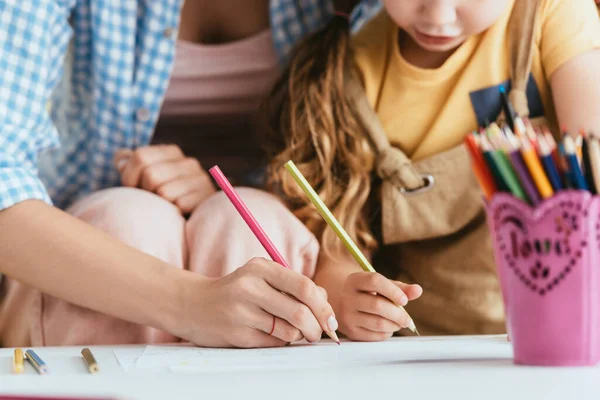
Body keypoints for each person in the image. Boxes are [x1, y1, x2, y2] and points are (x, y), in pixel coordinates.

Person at [0, 0, 378, 348]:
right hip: (96, 234)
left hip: (268, 217)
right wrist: (193, 303)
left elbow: (353, 165)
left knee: (247, 223)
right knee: (129, 220)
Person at [263, 0, 600, 339]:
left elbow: (592, 151)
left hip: (562, 333)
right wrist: (346, 296)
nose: (438, 16)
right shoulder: (352, 73)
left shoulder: (550, 11)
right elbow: (338, 248)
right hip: (421, 348)